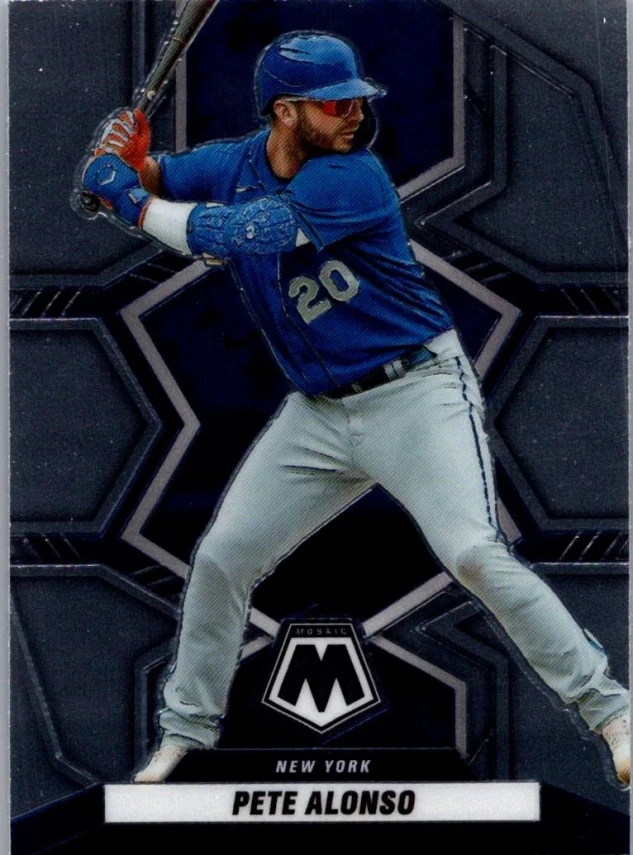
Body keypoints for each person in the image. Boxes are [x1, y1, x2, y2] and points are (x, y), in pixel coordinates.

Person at [82, 32, 630, 786]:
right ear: (285, 111)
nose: (355, 114)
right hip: (318, 413)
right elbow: (156, 178)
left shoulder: (352, 177)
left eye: (356, 101)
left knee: (472, 552)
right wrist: (124, 160)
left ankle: (610, 711)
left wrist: (126, 196)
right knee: (220, 558)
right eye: (335, 104)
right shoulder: (232, 163)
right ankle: (183, 735)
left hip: (416, 393)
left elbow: (233, 233)